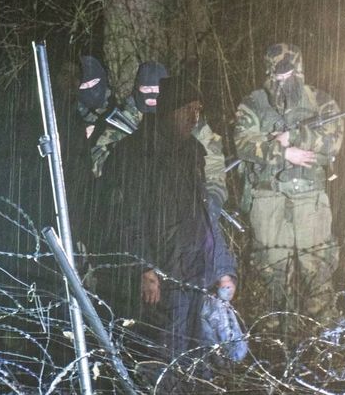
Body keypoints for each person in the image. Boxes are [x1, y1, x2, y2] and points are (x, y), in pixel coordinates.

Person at [91, 72, 240, 364]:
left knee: (197, 356)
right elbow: (125, 218)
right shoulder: (134, 152)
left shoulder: (193, 151)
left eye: (198, 110)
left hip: (194, 273)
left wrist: (223, 268)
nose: (194, 118)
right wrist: (143, 267)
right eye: (188, 110)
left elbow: (205, 216)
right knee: (162, 356)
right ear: (170, 110)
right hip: (162, 275)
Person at [233, 43, 343, 326]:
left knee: (317, 270)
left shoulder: (321, 101)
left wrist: (295, 137)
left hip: (310, 199)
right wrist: (281, 153)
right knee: (271, 272)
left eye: (288, 70)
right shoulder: (254, 103)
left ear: (299, 68)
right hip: (268, 198)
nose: (282, 77)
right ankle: (273, 340)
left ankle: (325, 338)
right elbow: (243, 143)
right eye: (277, 72)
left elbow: (333, 141)